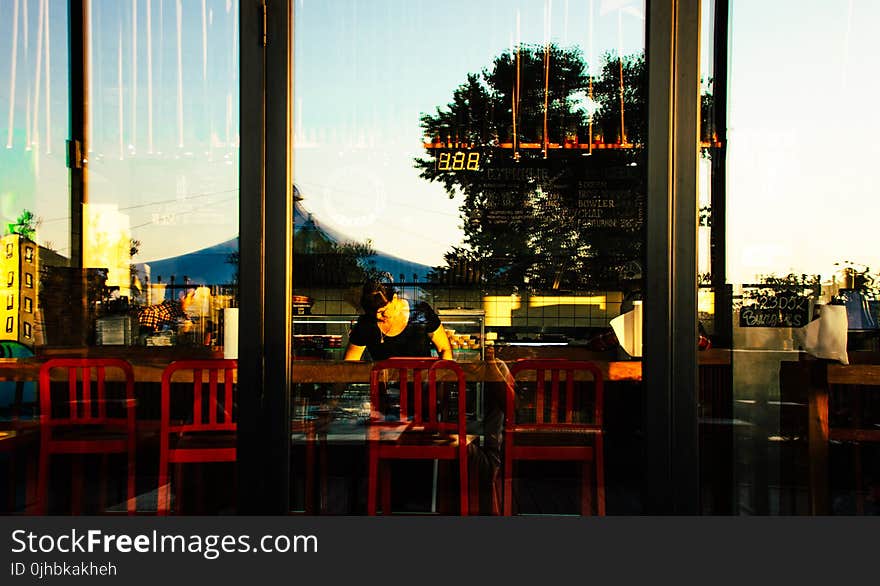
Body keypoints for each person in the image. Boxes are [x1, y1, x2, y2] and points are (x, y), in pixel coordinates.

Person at [344, 278, 453, 361]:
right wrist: (337, 391)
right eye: (373, 313)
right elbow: (350, 362)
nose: (377, 317)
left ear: (394, 298)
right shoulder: (366, 323)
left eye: (383, 311)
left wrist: (442, 385)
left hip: (421, 387)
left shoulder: (420, 311)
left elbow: (444, 349)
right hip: (384, 387)